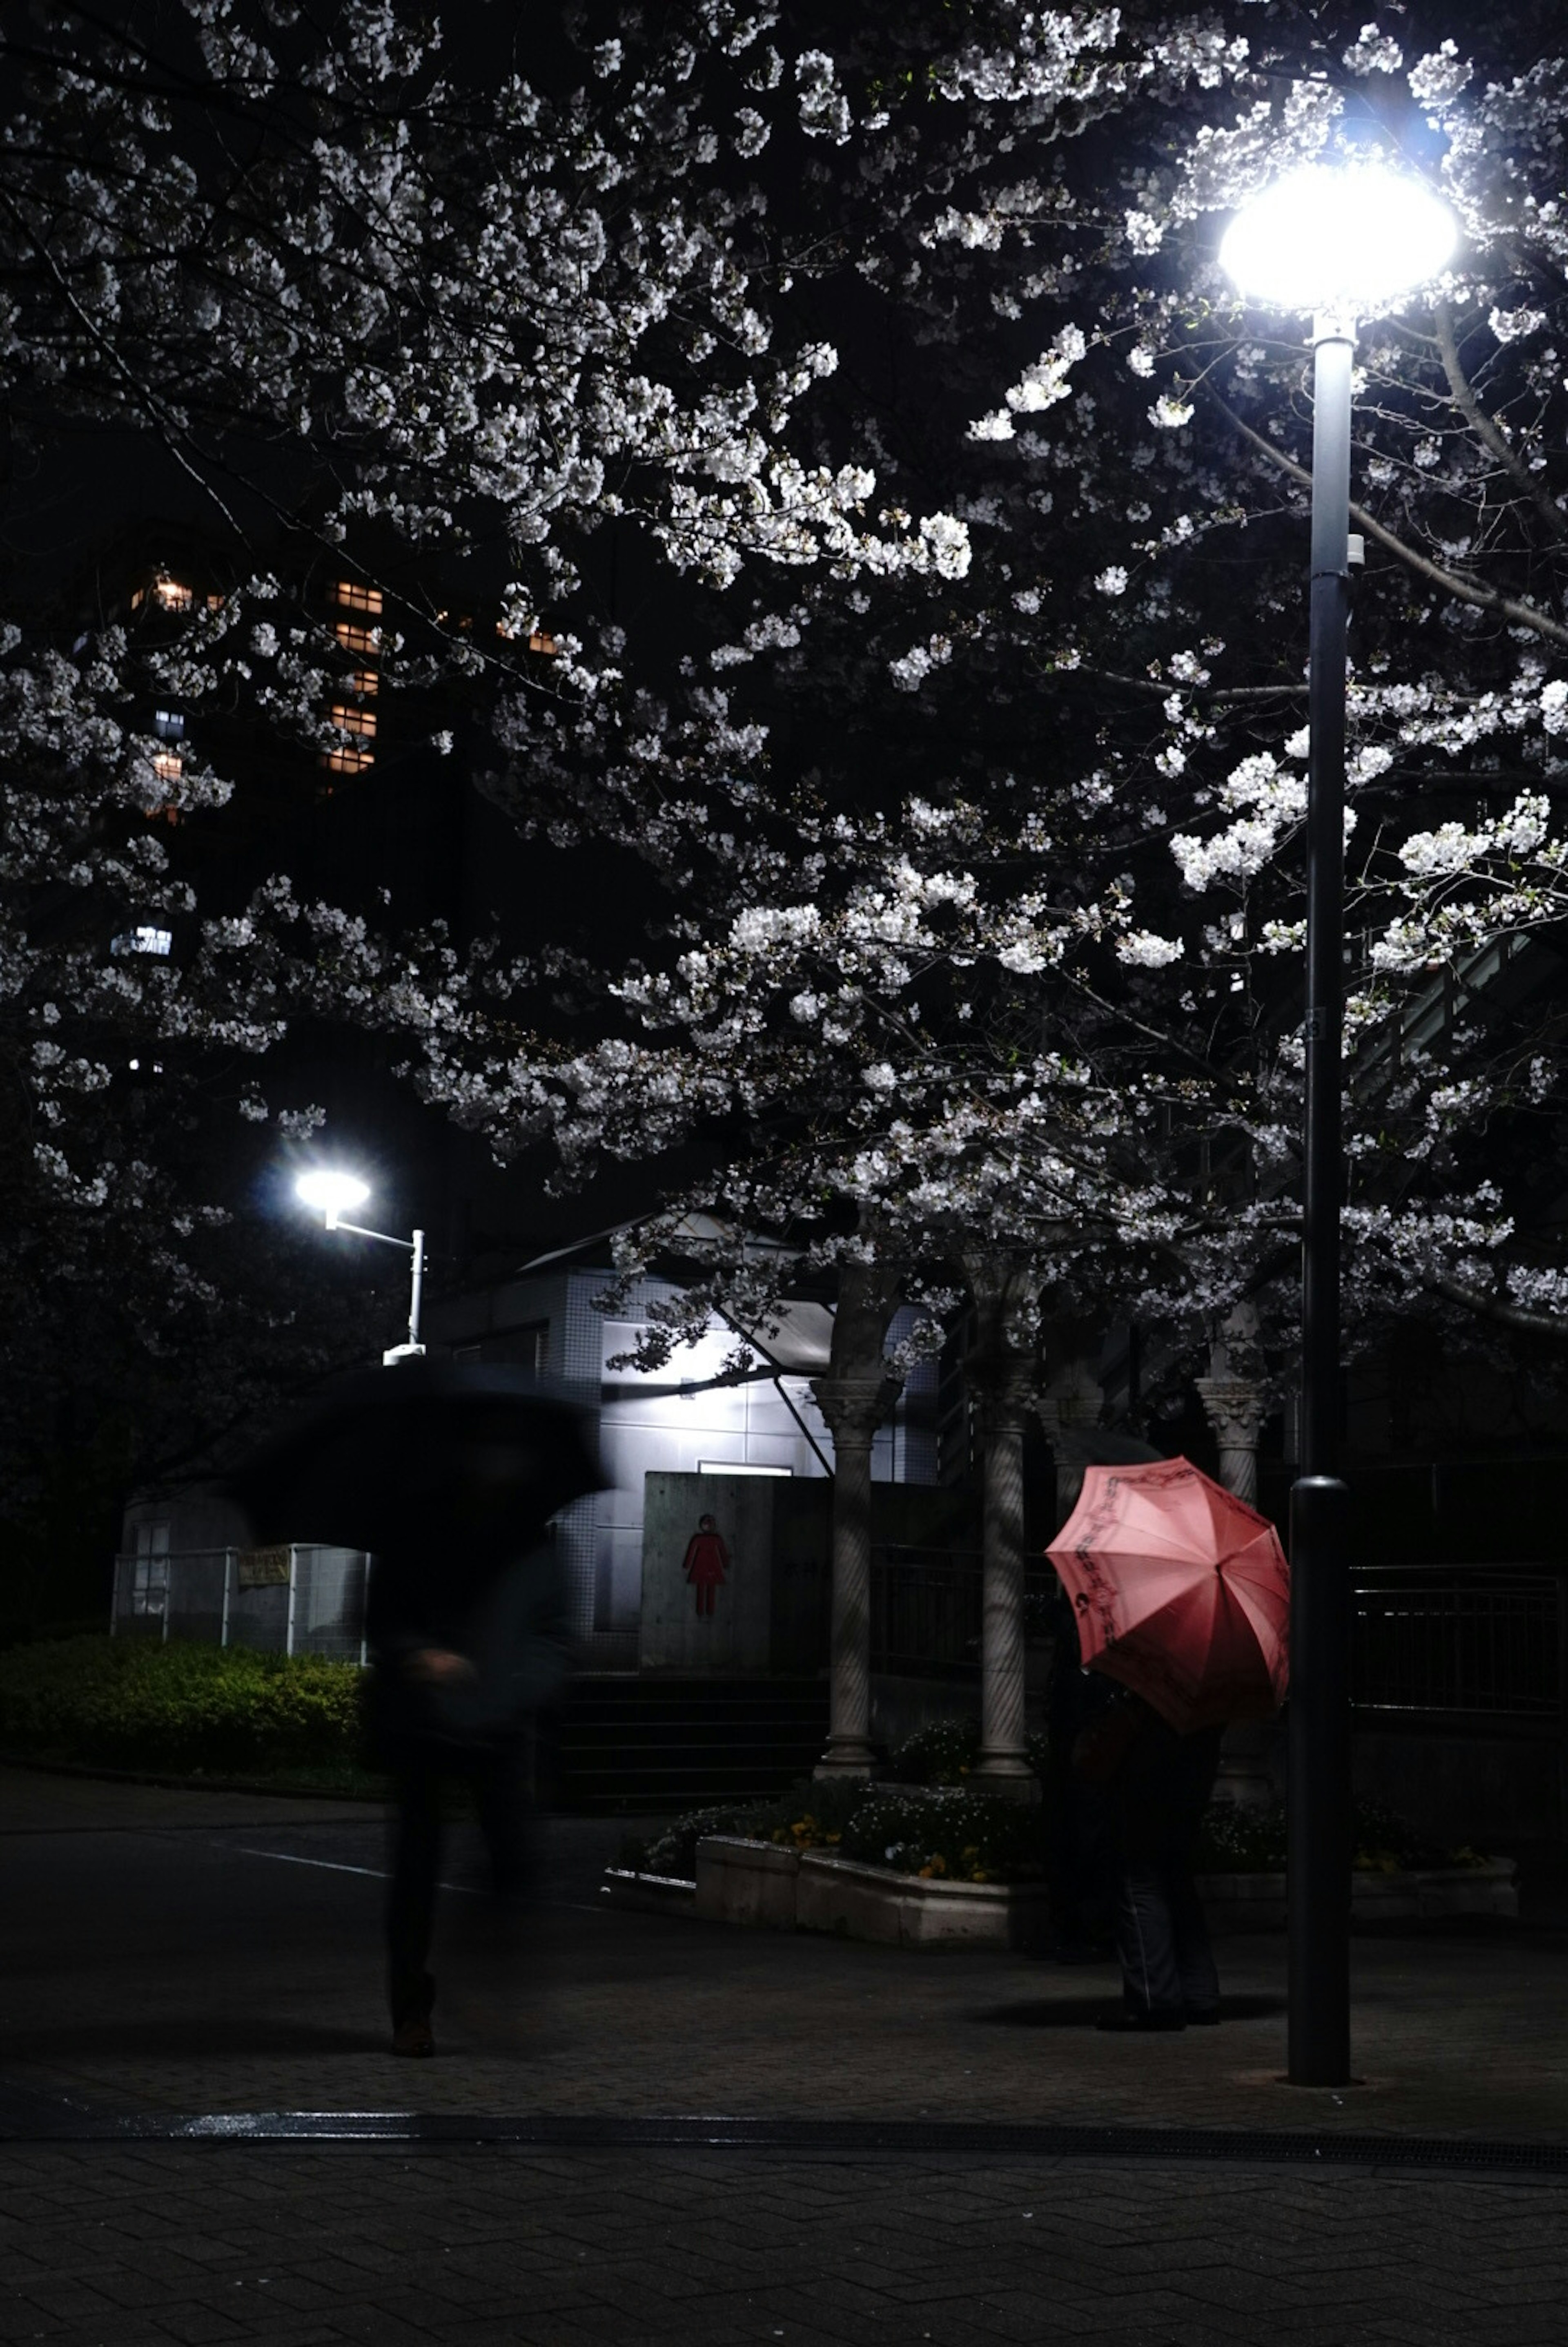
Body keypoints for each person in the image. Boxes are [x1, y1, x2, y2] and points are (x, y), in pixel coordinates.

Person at [366, 1481, 570, 2059]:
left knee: (515, 1859)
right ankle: (412, 2011)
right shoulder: (410, 1529)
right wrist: (419, 1655)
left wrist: (517, 1682)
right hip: (423, 1723)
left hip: (495, 1722)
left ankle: (484, 1976)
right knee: (416, 1870)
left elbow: (553, 1634)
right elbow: (382, 1618)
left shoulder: (531, 1541)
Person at [1074, 1684, 1224, 2032]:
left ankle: (1155, 2001)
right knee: (1177, 1879)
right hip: (1189, 1788)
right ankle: (1201, 1996)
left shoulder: (1160, 1681)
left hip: (1148, 1787)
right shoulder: (1215, 1689)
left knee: (1138, 1881)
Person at [681, 1512, 729, 1618]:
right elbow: (723, 1553)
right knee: (704, 1588)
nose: (708, 1526)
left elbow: (722, 1552)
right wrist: (726, 1564)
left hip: (703, 1564)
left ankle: (705, 1611)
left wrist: (687, 1565)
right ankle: (705, 1611)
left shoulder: (708, 1539)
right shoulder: (710, 1539)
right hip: (711, 1565)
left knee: (706, 1588)